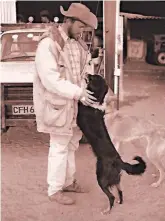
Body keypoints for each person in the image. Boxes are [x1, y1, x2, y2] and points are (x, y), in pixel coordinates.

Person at [33, 3, 98, 205]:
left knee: (71, 145)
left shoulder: (76, 43)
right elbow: (50, 80)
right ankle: (54, 190)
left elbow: (83, 71)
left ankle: (68, 182)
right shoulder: (48, 45)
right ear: (68, 21)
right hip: (59, 106)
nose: (82, 32)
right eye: (80, 26)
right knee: (59, 147)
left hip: (75, 106)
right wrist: (79, 92)